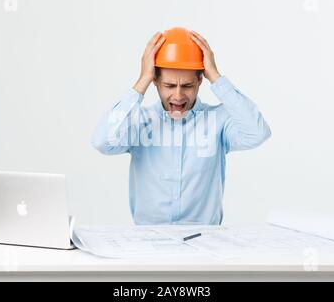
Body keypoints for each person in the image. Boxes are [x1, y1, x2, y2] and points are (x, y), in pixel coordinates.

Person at [92, 28, 271, 225]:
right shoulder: (139, 121)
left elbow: (257, 133)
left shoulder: (218, 120)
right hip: (147, 242)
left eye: (187, 86)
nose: (178, 96)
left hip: (205, 242)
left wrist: (216, 77)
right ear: (155, 81)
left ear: (200, 80)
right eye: (169, 86)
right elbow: (102, 142)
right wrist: (142, 79)